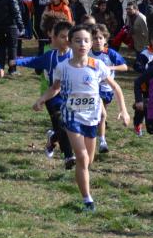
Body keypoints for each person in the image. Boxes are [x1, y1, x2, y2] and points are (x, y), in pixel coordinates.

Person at [33, 24, 130, 212]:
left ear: (91, 43)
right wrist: (41, 100)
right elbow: (55, 88)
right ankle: (87, 200)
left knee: (88, 161)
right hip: (71, 116)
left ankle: (81, 177)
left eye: (86, 40)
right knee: (82, 157)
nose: (82, 44)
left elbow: (116, 88)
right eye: (77, 40)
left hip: (92, 118)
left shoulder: (98, 66)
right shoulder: (63, 67)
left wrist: (124, 111)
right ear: (70, 43)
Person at [14, 20, 75, 169]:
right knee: (62, 125)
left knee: (68, 128)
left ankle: (51, 139)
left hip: (73, 98)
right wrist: (15, 61)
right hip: (53, 97)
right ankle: (69, 157)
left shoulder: (76, 55)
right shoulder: (51, 56)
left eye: (68, 37)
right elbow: (34, 61)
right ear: (54, 37)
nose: (66, 40)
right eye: (62, 36)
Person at [89, 24, 128, 153]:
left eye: (100, 38)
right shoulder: (87, 53)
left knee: (99, 116)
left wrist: (110, 68)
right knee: (102, 114)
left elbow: (124, 67)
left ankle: (95, 135)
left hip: (108, 89)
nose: (98, 41)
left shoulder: (110, 53)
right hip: (93, 89)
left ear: (105, 39)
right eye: (95, 38)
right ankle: (102, 142)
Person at [0, 0, 25, 75]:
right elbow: (16, 11)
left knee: (1, 46)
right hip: (11, 25)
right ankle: (12, 69)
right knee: (12, 47)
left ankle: (0, 68)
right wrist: (21, 26)